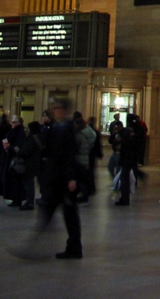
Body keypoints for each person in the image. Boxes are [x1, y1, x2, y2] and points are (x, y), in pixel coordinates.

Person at [39, 98, 82, 259]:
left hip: (65, 179)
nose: (55, 111)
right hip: (56, 178)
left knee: (69, 215)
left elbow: (70, 154)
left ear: (64, 110)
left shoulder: (68, 128)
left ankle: (74, 248)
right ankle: (71, 247)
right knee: (51, 211)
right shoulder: (57, 127)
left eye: (57, 108)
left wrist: (71, 178)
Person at [16, 121, 43, 210]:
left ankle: (29, 202)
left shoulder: (32, 138)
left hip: (29, 164)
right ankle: (30, 201)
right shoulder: (39, 137)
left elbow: (26, 151)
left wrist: (19, 151)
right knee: (30, 183)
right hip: (35, 163)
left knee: (28, 184)